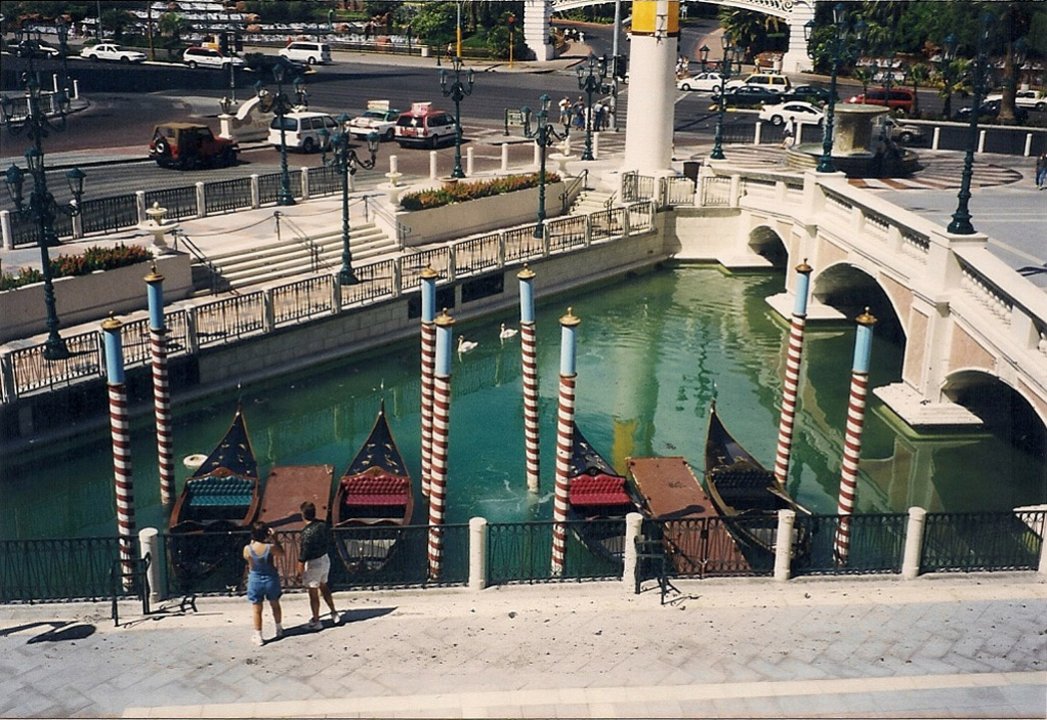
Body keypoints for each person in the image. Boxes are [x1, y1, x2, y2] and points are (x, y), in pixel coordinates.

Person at [298, 501, 338, 630]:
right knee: (324, 586)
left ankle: (316, 620)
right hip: (325, 558)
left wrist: (299, 572)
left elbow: (303, 554)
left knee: (313, 592)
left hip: (313, 563)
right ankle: (334, 612)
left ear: (303, 514)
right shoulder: (323, 525)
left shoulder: (306, 532)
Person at [243, 521, 284, 646]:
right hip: (271, 578)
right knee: (275, 604)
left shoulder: (247, 549)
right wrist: (275, 539)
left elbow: (249, 561)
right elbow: (281, 553)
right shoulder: (270, 547)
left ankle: (259, 636)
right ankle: (279, 629)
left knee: (257, 609)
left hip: (255, 579)